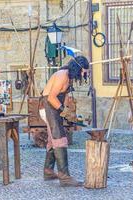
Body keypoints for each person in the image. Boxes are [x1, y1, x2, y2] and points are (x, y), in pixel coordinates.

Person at [39, 55, 89, 187]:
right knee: (59, 138)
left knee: (53, 140)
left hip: (54, 107)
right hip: (48, 106)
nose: (84, 74)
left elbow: (64, 96)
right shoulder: (62, 75)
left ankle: (48, 171)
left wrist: (68, 112)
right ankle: (64, 176)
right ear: (78, 68)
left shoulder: (69, 78)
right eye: (84, 71)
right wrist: (63, 111)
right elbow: (51, 97)